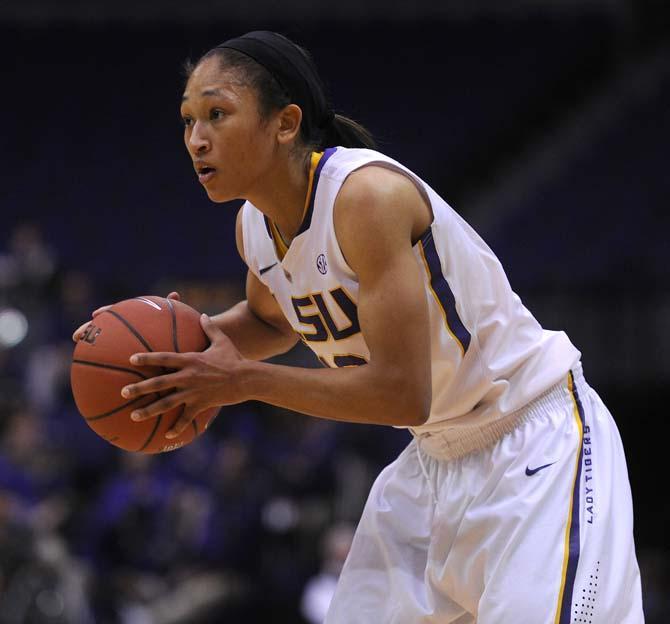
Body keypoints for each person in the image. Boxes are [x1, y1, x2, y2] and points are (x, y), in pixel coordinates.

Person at [73, 31, 643, 623]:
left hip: (535, 443)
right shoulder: (256, 226)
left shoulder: (366, 197)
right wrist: (163, 357)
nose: (196, 139)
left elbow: (401, 392)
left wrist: (240, 381)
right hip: (435, 462)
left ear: (285, 123)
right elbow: (272, 320)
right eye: (188, 120)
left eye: (217, 114)